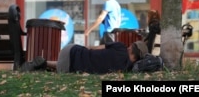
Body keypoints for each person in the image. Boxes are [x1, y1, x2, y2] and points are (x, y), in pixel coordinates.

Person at [20, 40, 149, 74]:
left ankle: (44, 63)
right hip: (68, 67)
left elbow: (92, 48)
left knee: (81, 57)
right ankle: (46, 64)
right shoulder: (126, 68)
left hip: (71, 50)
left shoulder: (120, 46)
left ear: (131, 47)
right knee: (70, 66)